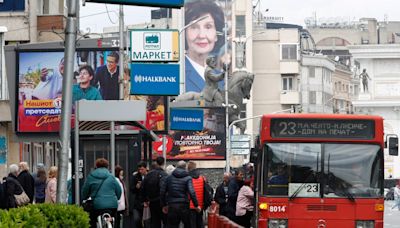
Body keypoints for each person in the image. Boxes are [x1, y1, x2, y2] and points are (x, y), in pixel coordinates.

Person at [184, 0, 225, 92]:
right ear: (184, 33)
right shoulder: (177, 74)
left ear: (216, 34)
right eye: (194, 27)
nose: (201, 35)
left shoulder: (222, 80)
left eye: (208, 27)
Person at [82, 158, 121, 228]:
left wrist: (85, 197)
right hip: (112, 205)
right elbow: (119, 191)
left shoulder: (91, 176)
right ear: (107, 166)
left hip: (97, 205)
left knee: (92, 220)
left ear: (96, 166)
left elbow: (85, 192)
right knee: (115, 219)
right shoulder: (111, 176)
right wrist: (116, 198)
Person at [160, 160, 201, 228]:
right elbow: (192, 192)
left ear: (176, 167)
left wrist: (164, 205)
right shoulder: (188, 178)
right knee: (187, 225)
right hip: (184, 205)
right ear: (185, 167)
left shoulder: (169, 178)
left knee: (172, 225)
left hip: (172, 205)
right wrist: (196, 205)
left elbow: (162, 192)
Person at [141, 157, 167, 228]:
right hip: (161, 202)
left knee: (155, 221)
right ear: (163, 163)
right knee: (165, 221)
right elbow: (163, 189)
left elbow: (143, 187)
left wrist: (145, 200)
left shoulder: (149, 175)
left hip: (152, 201)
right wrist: (164, 203)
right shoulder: (164, 174)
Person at [188, 161, 212, 228]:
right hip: (200, 205)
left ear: (188, 168)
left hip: (190, 206)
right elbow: (207, 191)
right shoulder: (202, 178)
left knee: (191, 224)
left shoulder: (187, 178)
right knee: (199, 223)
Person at [130, 161, 148, 228]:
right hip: (138, 202)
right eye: (139, 169)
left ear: (146, 168)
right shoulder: (135, 177)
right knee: (137, 219)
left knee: (147, 221)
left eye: (142, 169)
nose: (140, 171)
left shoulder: (149, 176)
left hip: (147, 202)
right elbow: (132, 190)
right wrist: (136, 187)